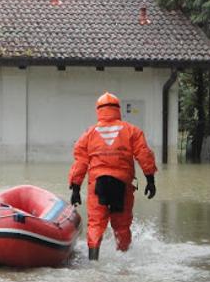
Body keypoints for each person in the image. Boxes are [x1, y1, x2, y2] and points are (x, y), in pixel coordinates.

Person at [67, 92, 157, 261]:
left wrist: (76, 189)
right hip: (122, 185)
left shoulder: (89, 134)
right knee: (122, 226)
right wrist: (150, 180)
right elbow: (144, 155)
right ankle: (123, 260)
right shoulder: (132, 131)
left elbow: (80, 162)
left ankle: (93, 261)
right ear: (118, 109)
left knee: (95, 224)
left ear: (98, 110)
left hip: (97, 186)